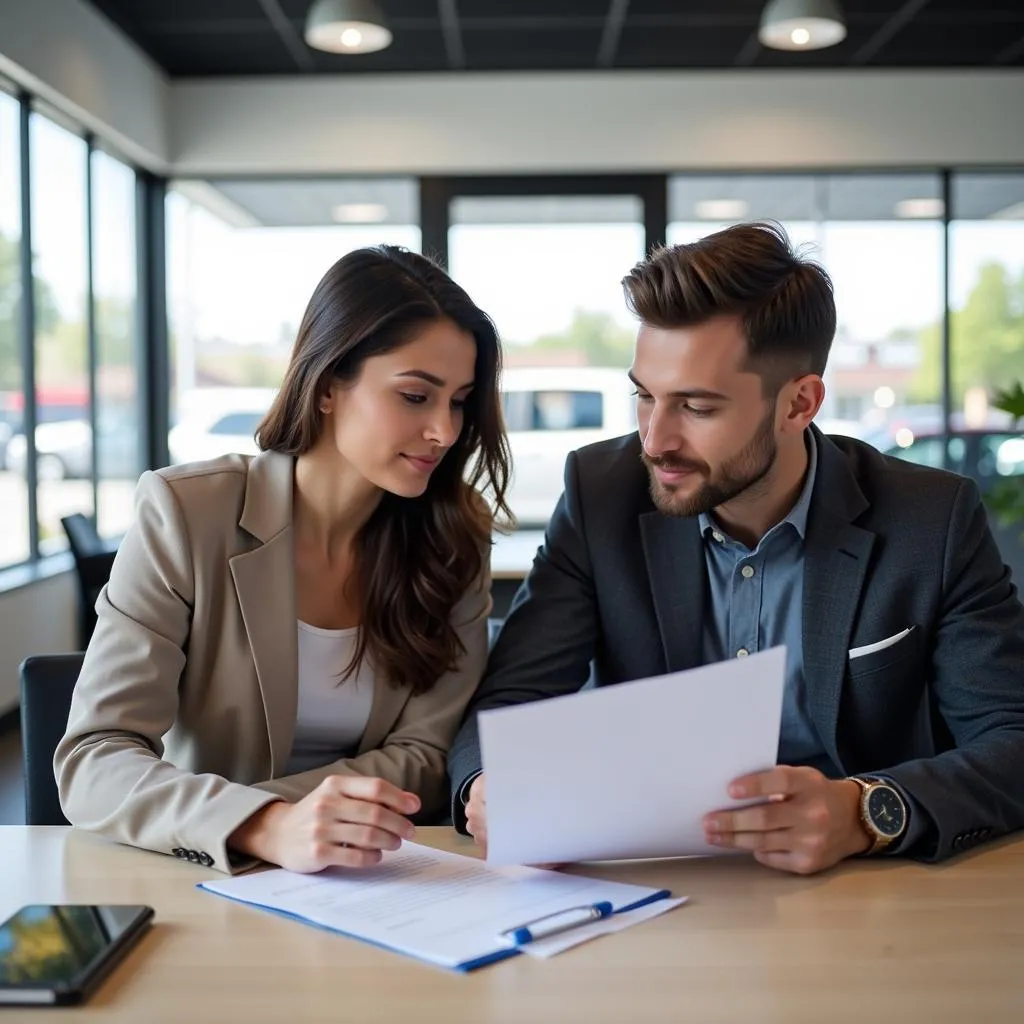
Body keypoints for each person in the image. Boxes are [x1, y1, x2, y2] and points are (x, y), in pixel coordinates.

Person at [448, 221, 1024, 876]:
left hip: (865, 894)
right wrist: (486, 789)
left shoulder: (930, 518)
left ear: (799, 403)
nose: (655, 439)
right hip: (657, 893)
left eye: (696, 407)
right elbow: (509, 698)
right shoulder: (599, 496)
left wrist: (864, 812)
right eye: (645, 396)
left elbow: (1014, 738)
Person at [56, 245, 511, 875]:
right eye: (414, 396)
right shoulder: (188, 514)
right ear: (327, 386)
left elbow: (425, 753)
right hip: (204, 876)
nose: (445, 430)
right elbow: (95, 757)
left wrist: (284, 821)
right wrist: (263, 827)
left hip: (380, 876)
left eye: (458, 401)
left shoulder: (455, 535)